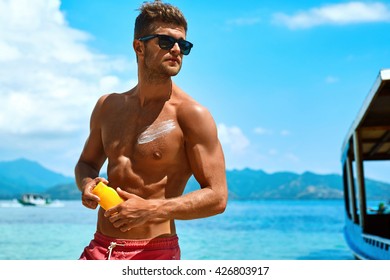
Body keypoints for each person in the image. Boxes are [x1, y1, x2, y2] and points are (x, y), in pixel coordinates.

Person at [75, 0, 228, 260]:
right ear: (139, 46)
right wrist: (88, 184)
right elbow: (86, 164)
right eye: (166, 42)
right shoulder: (107, 106)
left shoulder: (191, 115)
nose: (177, 50)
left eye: (184, 45)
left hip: (154, 253)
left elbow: (217, 197)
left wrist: (152, 209)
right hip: (100, 248)